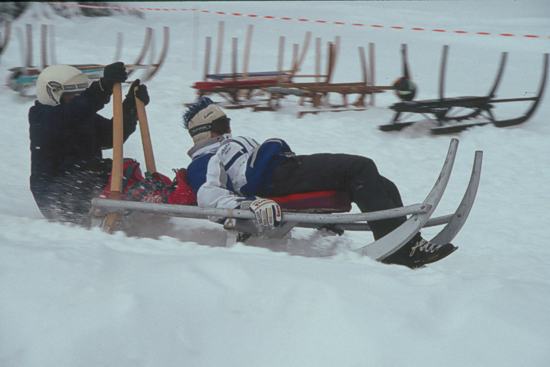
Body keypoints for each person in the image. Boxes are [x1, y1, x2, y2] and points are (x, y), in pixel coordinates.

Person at [183, 97, 457, 268]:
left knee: (380, 183)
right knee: (360, 166)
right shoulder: (202, 162)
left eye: (227, 122)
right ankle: (396, 250)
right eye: (222, 125)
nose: (228, 130)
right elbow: (209, 197)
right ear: (204, 132)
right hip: (274, 180)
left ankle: (409, 243)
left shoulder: (224, 148)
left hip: (285, 168)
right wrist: (249, 205)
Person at [29, 62, 150, 225]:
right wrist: (102, 87)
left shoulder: (81, 116)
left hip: (84, 179)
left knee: (125, 169)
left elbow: (112, 136)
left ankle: (140, 205)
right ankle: (109, 213)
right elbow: (73, 113)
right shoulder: (42, 117)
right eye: (72, 95)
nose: (77, 98)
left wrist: (130, 107)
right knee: (105, 172)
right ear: (52, 93)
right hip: (55, 191)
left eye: (80, 94)